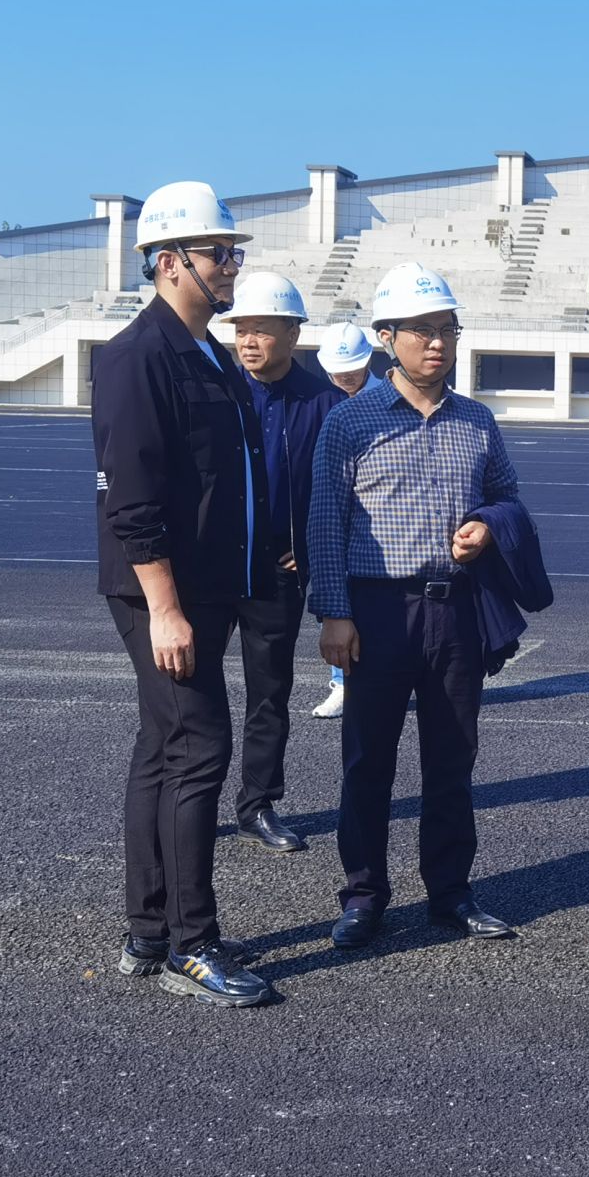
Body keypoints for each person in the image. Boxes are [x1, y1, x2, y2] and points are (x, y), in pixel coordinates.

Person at [91, 179, 274, 1007]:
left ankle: (148, 927)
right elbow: (130, 499)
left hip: (208, 587)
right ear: (170, 263)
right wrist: (164, 608)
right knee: (199, 749)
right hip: (160, 594)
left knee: (162, 747)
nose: (231, 266)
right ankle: (192, 946)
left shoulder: (211, 354)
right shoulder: (138, 357)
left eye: (232, 253)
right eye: (218, 253)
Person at [308, 261, 523, 949]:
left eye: (447, 329)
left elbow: (509, 498)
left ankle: (451, 893)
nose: (437, 342)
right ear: (386, 337)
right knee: (367, 763)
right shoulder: (350, 421)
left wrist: (487, 523)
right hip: (376, 613)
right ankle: (363, 896)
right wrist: (334, 613)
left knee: (452, 761)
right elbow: (325, 521)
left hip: (455, 612)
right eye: (421, 330)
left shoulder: (477, 421)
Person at [223, 271, 344, 851]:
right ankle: (187, 804)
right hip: (211, 565)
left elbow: (341, 492)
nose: (248, 341)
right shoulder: (218, 390)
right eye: (241, 329)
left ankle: (257, 806)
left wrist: (312, 548)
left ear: (293, 335)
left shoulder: (326, 404)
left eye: (262, 330)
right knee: (191, 693)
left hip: (277, 571)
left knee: (269, 692)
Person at [308, 322, 380, 720]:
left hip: (376, 522)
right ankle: (341, 683)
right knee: (337, 606)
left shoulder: (386, 399)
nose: (345, 376)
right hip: (333, 516)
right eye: (338, 371)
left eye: (351, 368)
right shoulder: (320, 402)